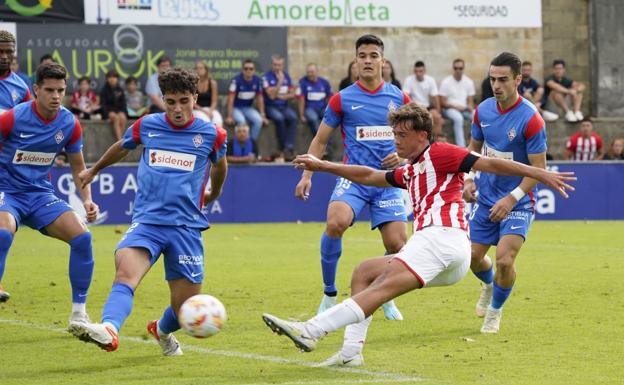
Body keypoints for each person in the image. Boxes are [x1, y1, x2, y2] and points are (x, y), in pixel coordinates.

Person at [262, 102, 575, 365]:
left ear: (422, 135)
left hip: (441, 238)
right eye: (394, 134)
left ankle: (310, 330)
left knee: (381, 287)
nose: (395, 140)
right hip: (447, 252)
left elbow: (491, 163)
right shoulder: (411, 169)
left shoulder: (441, 153)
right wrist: (323, 166)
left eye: (401, 134)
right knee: (365, 272)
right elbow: (370, 175)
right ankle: (350, 353)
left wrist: (538, 172)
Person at [68, 67, 228, 356]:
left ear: (195, 97)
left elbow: (220, 165)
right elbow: (122, 146)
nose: (177, 109)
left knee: (184, 307)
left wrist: (213, 194)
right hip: (147, 222)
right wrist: (94, 170)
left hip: (186, 227)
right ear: (163, 100)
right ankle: (109, 329)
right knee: (125, 275)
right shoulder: (147, 125)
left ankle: (162, 330)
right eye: (170, 102)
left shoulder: (211, 134)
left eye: (183, 101)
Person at [295, 34, 409, 321]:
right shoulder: (342, 99)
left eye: (373, 56)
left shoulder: (399, 97)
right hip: (354, 178)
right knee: (336, 222)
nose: (368, 61)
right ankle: (329, 294)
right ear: (355, 61)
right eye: (362, 56)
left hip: (387, 181)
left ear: (383, 61)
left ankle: (383, 294)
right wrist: (308, 173)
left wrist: (404, 157)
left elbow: (417, 137)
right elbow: (320, 140)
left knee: (398, 244)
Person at [0, 63, 99, 321]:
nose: (56, 96)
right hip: (6, 192)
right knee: (2, 233)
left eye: (61, 90)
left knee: (82, 238)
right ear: (36, 90)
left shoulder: (69, 123)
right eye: (49, 90)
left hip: (40, 195)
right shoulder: (13, 117)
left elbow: (80, 169)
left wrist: (87, 200)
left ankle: (79, 314)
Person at [464, 52, 548, 333]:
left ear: (518, 80)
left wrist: (511, 198)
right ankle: (489, 286)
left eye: (502, 80)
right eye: (492, 79)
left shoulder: (531, 119)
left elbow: (539, 170)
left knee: (504, 259)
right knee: (471, 258)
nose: (496, 85)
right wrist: (468, 178)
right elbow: (473, 150)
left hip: (518, 201)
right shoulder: (483, 111)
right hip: (486, 197)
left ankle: (495, 311)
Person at [0, 30, 33, 302]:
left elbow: (31, 124)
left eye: (8, 51)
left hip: (6, 166)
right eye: (0, 51)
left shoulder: (21, 87)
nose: (4, 56)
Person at [263, 54, 298, 161]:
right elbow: (271, 96)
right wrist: (279, 82)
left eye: (279, 65)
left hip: (284, 106)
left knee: (293, 117)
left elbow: (292, 94)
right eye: (275, 65)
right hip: (271, 107)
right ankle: (282, 147)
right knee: (279, 119)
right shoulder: (266, 77)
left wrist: (280, 96)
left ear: (282, 65)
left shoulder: (286, 76)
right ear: (272, 65)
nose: (277, 67)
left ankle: (289, 146)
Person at [225, 59, 267, 142]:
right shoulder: (236, 81)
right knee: (242, 121)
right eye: (246, 68)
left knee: (258, 120)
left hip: (248, 108)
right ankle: (238, 145)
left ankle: (251, 144)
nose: (248, 70)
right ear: (242, 70)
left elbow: (260, 98)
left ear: (254, 70)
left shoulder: (258, 81)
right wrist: (229, 116)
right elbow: (230, 99)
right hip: (235, 108)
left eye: (251, 69)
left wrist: (262, 115)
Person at [439, 58, 475, 147]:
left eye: (460, 68)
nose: (458, 70)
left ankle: (476, 144)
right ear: (453, 68)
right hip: (449, 109)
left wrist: (470, 106)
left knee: (476, 115)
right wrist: (457, 107)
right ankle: (462, 148)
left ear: (463, 68)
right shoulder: (446, 82)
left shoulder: (468, 81)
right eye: (456, 68)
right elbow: (443, 102)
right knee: (458, 119)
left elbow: (471, 101)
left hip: (464, 109)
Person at [402, 61, 443, 137]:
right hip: (414, 107)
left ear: (424, 71)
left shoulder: (430, 80)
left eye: (420, 71)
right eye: (416, 71)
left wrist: (438, 112)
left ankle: (437, 142)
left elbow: (435, 97)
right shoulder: (409, 80)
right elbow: (405, 96)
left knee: (437, 117)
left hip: (427, 107)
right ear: (414, 71)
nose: (418, 73)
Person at [296, 63, 333, 136]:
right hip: (309, 109)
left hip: (322, 108)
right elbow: (301, 99)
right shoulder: (303, 82)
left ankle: (328, 143)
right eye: (308, 72)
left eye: (312, 72)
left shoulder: (324, 82)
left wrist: (331, 112)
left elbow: (330, 98)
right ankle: (319, 141)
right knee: (314, 119)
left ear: (317, 72)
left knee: (329, 119)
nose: (310, 74)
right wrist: (301, 115)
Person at [99, 69, 127, 141]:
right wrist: (106, 115)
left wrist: (122, 111)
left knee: (123, 117)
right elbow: (103, 105)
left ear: (117, 79)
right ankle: (120, 142)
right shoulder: (104, 90)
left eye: (114, 77)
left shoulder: (120, 89)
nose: (112, 79)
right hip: (109, 111)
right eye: (110, 77)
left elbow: (123, 103)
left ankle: (122, 139)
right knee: (116, 118)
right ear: (107, 79)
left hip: (118, 110)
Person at [193, 60, 223, 126]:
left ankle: (218, 136)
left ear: (206, 70)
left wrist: (210, 111)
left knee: (218, 121)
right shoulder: (193, 83)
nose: (198, 70)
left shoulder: (212, 83)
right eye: (196, 68)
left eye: (201, 68)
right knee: (206, 121)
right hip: (197, 110)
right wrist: (204, 111)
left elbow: (214, 101)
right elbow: (193, 103)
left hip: (210, 109)